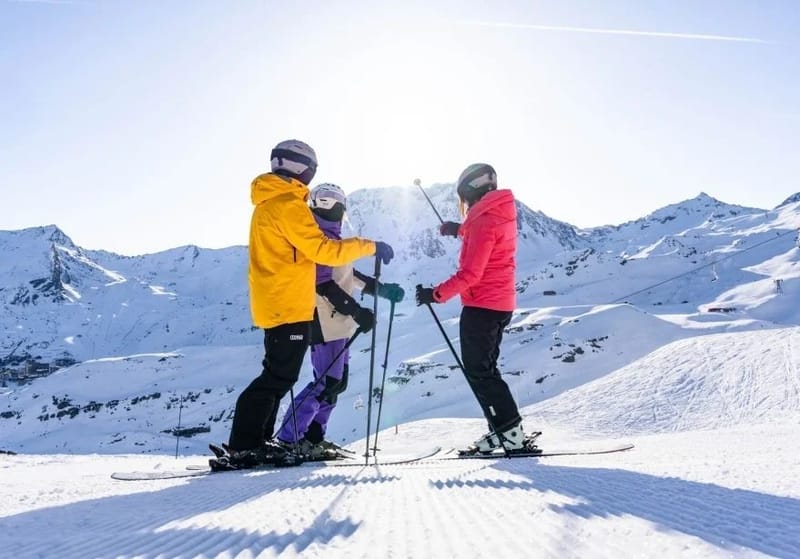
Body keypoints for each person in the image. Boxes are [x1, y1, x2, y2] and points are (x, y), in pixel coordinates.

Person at [224, 140, 395, 469]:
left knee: (281, 375)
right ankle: (246, 445)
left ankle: (258, 443)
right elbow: (324, 253)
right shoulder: (288, 205)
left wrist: (372, 288)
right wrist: (370, 246)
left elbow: (329, 264)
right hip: (287, 303)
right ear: (304, 169)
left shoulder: (272, 202)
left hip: (281, 301)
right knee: (278, 377)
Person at [275, 183, 405, 460]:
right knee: (326, 382)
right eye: (325, 200)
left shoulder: (332, 242)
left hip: (337, 321)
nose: (332, 206)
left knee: (335, 382)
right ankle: (289, 440)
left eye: (336, 200)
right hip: (323, 320)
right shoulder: (315, 241)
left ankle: (313, 438)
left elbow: (348, 275)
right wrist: (357, 312)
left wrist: (382, 290)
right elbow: (322, 284)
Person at [415, 163, 536, 454]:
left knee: (480, 372)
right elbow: (489, 239)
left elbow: (470, 274)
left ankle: (509, 433)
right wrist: (460, 230)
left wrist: (435, 294)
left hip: (482, 305)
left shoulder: (482, 222)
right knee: (485, 370)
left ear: (469, 192)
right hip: (499, 303)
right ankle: (505, 430)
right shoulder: (499, 213)